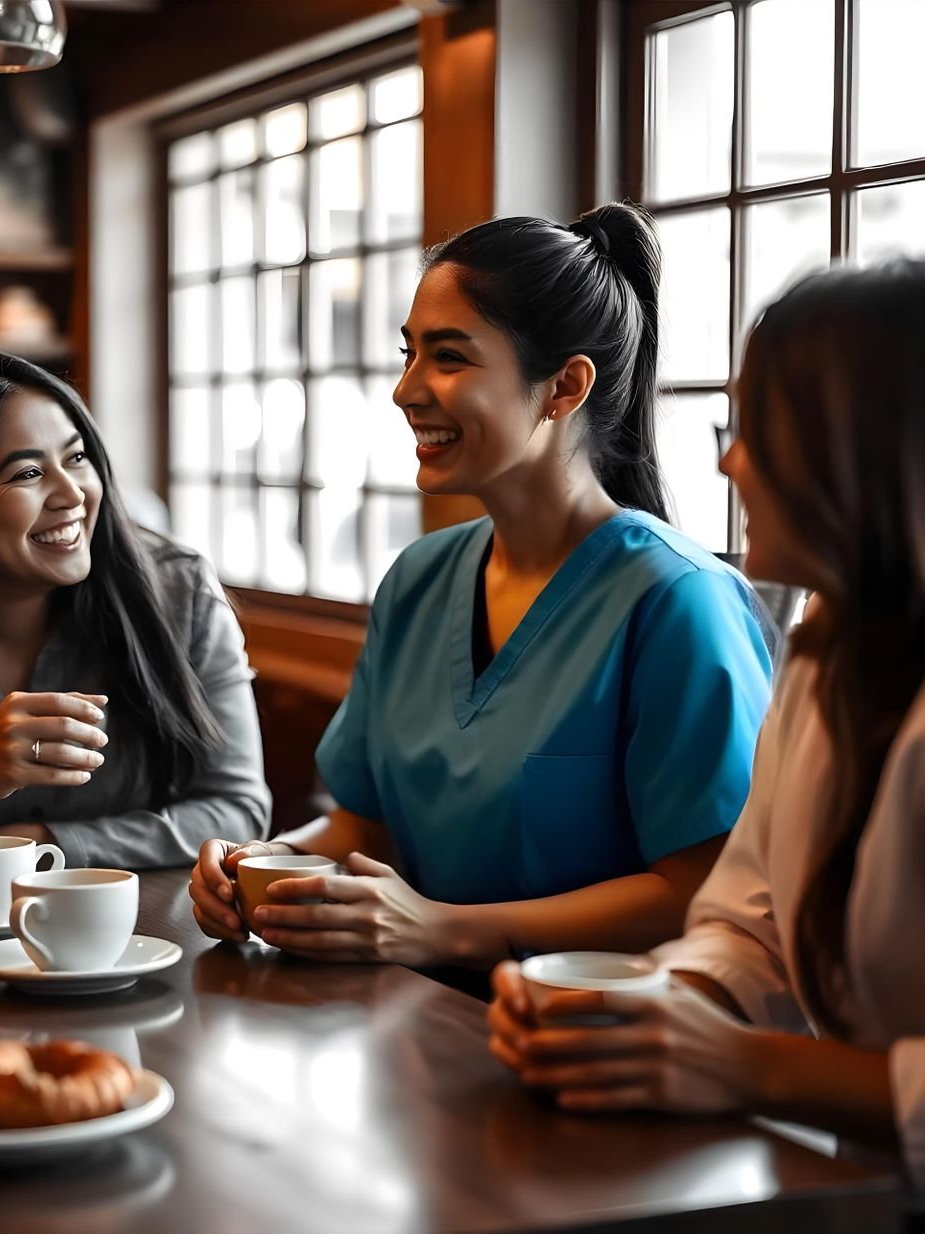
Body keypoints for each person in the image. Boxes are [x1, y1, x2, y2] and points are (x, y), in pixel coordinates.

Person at [189, 203, 773, 969]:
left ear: (564, 387)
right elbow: (363, 828)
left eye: (449, 357)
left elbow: (706, 894)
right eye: (408, 354)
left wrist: (447, 929)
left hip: (587, 1046)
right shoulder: (419, 580)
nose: (406, 390)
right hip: (407, 1029)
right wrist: (257, 867)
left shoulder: (678, 601)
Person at [487, 260, 925, 1188]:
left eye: (762, 431)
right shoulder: (823, 660)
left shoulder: (682, 597)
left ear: (879, 454)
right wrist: (634, 1007)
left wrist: (746, 1065)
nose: (729, 460)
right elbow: (749, 920)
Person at [0, 351, 271, 868]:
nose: (71, 494)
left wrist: (52, 842)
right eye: (28, 472)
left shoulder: (180, 593)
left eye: (77, 457)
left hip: (143, 936)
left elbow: (237, 809)